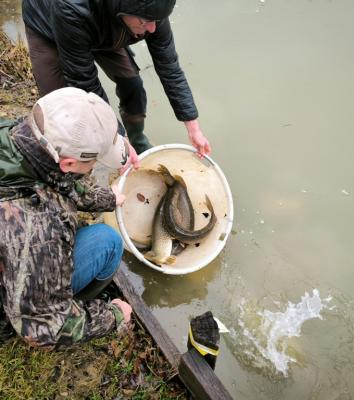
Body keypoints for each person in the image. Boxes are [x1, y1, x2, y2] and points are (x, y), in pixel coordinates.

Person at [0, 87, 133, 348]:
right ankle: (77, 303)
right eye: (93, 161)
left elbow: (51, 175)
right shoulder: (38, 230)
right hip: (12, 310)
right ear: (69, 164)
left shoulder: (16, 135)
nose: (94, 167)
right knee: (108, 241)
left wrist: (107, 198)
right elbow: (43, 329)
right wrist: (114, 316)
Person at [22, 0, 212, 160]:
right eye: (146, 21)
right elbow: (85, 82)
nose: (153, 28)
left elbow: (169, 67)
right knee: (60, 110)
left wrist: (193, 128)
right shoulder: (71, 9)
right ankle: (65, 167)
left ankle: (137, 139)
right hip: (49, 25)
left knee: (133, 85)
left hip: (110, 24)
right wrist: (117, 139)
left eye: (157, 20)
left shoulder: (152, 9)